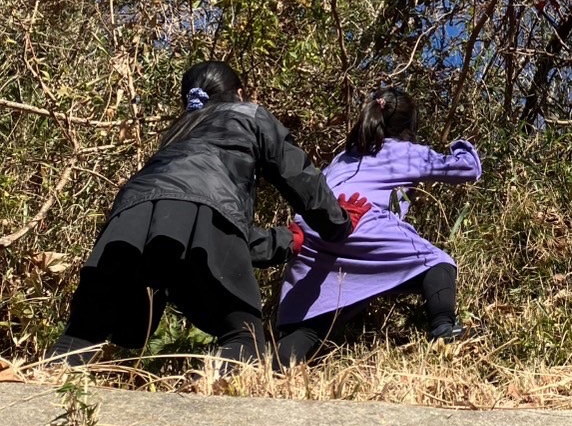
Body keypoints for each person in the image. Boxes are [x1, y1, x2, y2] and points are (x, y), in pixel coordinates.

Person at [45, 61, 361, 370]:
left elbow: (205, 221)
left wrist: (284, 241)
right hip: (206, 215)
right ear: (239, 92)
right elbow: (298, 178)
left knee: (84, 331)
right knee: (243, 335)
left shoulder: (178, 132)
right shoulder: (250, 115)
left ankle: (41, 387)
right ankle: (213, 406)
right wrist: (339, 225)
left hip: (130, 217)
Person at [275, 87, 481, 367]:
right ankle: (445, 331)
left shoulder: (345, 156)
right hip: (357, 218)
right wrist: (461, 145)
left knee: (316, 319)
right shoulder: (405, 153)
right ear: (408, 126)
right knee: (436, 263)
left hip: (309, 230)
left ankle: (271, 367)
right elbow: (468, 169)